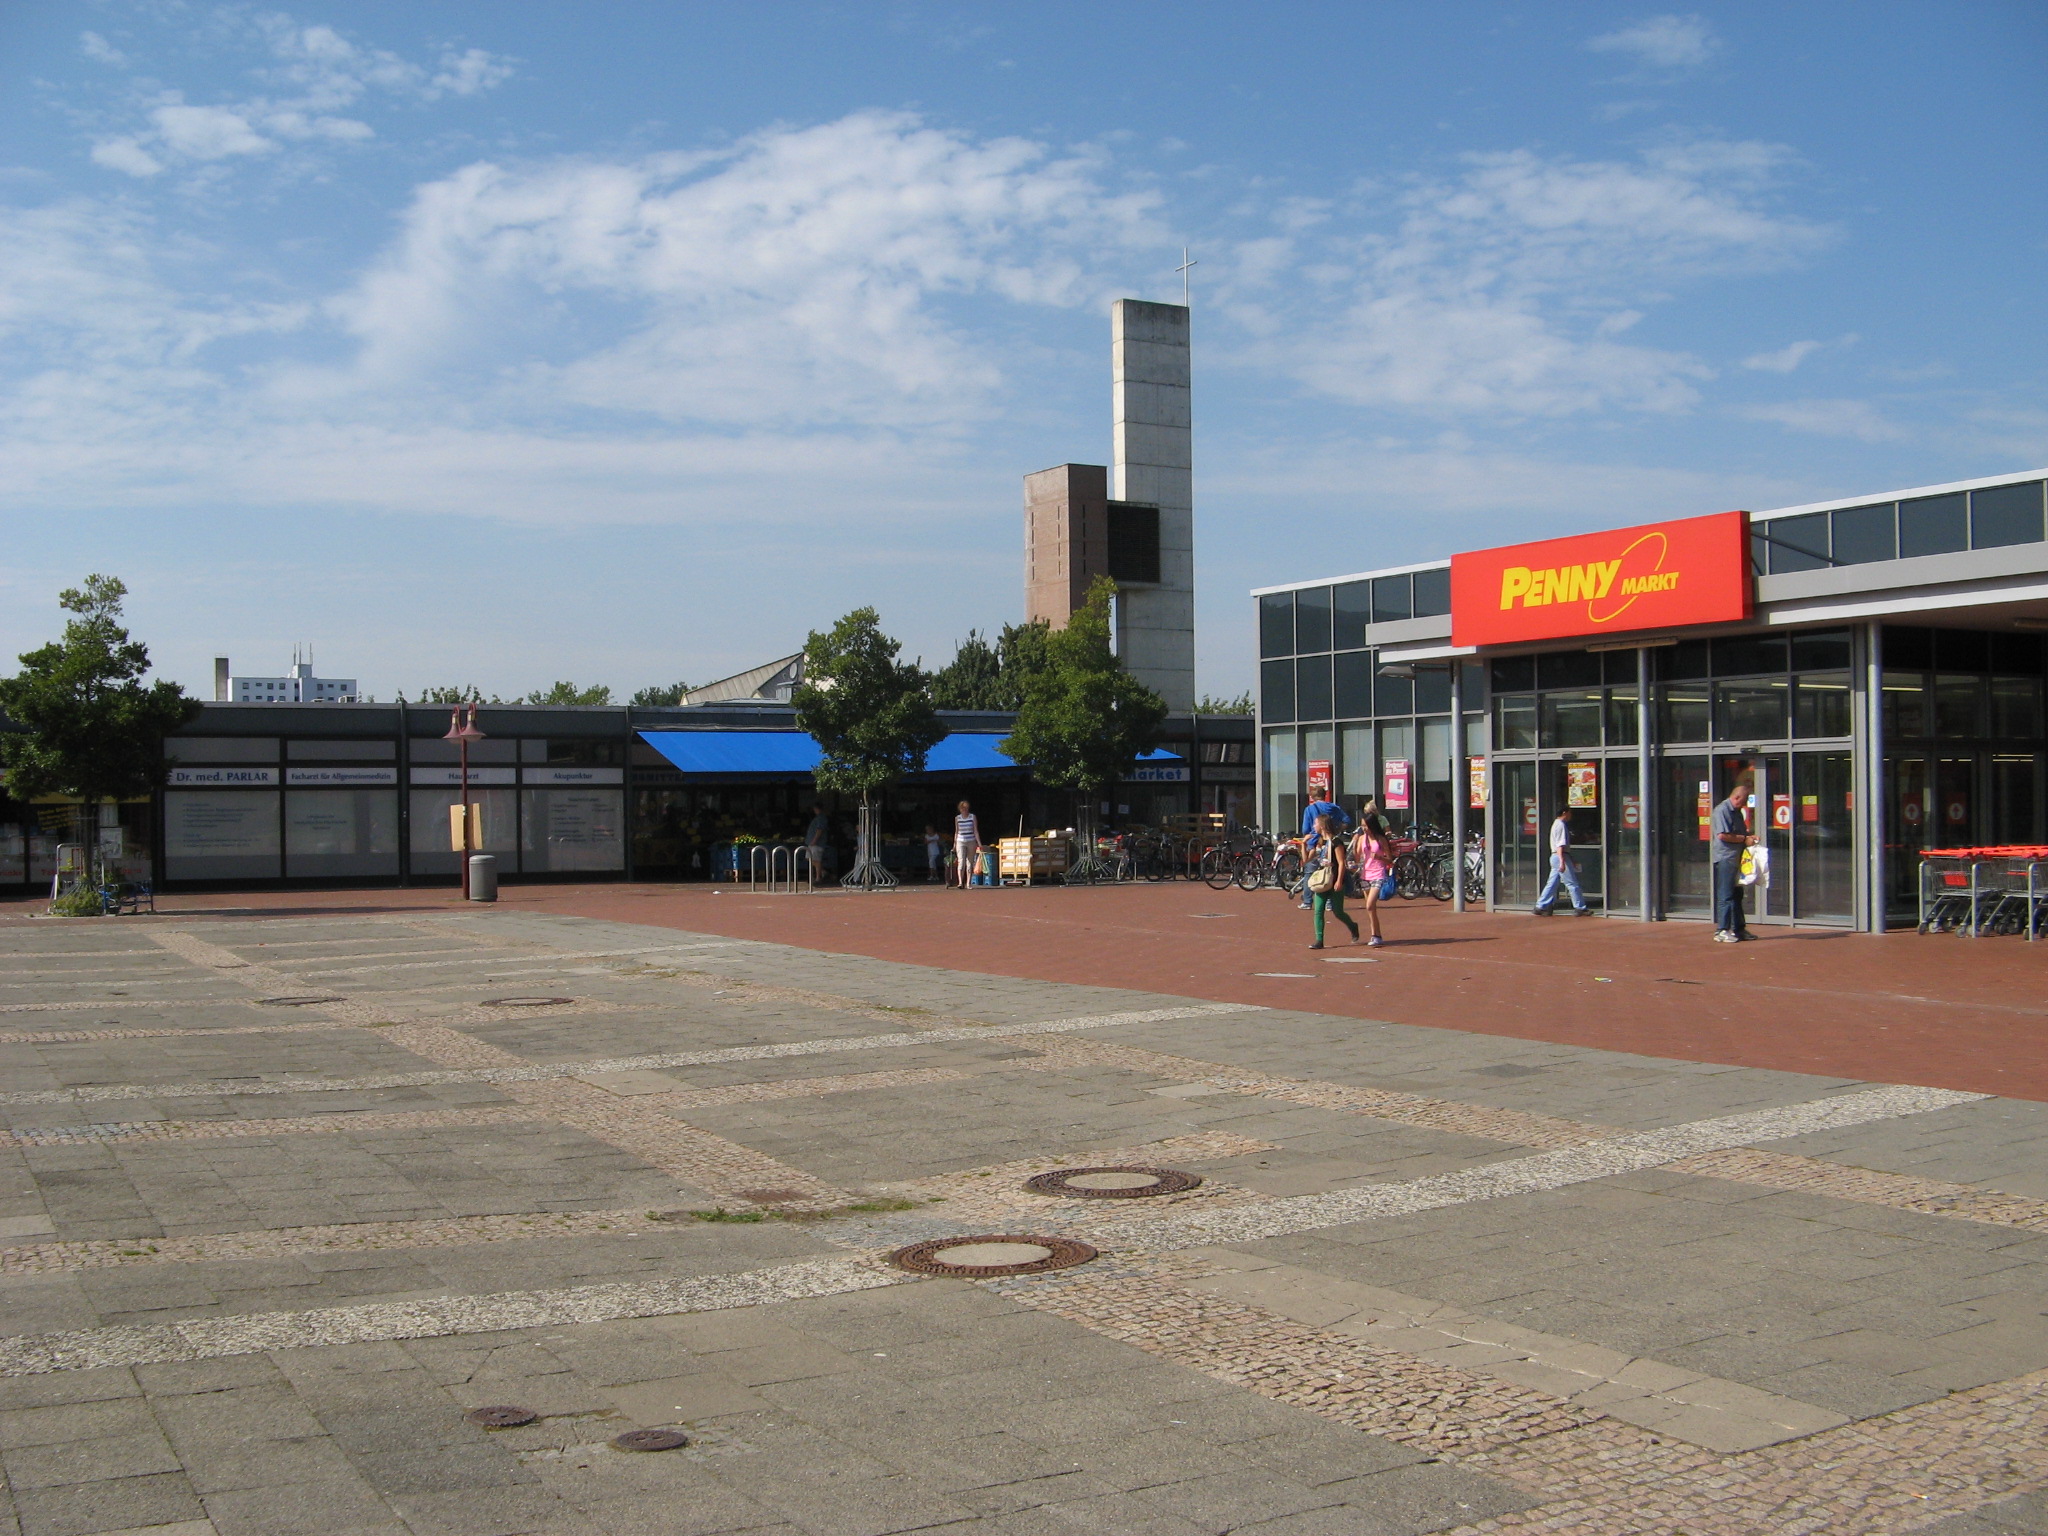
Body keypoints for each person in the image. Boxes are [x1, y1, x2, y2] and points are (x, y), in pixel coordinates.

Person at [1306, 813, 1361, 949]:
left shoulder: (1336, 842)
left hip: (1334, 879)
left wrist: (1339, 881)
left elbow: (1342, 862)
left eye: (1316, 823)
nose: (1314, 826)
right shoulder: (1320, 841)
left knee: (1338, 912)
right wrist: (1303, 843)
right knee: (1318, 910)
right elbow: (1306, 859)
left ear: (1323, 826)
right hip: (1322, 880)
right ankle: (1319, 940)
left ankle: (1353, 926)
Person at [1713, 780, 1758, 942]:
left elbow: (1740, 833)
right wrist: (1744, 839)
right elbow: (1723, 835)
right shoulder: (1722, 811)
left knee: (1737, 894)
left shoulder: (1737, 811)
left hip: (1737, 858)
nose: (1744, 805)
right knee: (1725, 895)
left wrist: (1749, 837)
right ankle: (1722, 930)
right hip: (1726, 858)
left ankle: (1739, 929)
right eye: (1744, 801)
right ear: (1737, 797)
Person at [1533, 807, 1593, 916]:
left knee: (1552, 883)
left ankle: (1540, 905)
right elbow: (1560, 845)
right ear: (1564, 813)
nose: (1571, 815)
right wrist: (1562, 861)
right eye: (1569, 813)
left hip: (1555, 856)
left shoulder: (1555, 824)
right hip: (1560, 856)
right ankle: (1580, 907)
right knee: (1572, 883)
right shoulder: (1561, 825)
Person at [1354, 812, 1391, 947]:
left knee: (1370, 905)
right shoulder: (1362, 839)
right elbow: (1357, 857)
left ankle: (1376, 935)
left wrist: (1380, 857)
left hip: (1378, 873)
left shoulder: (1380, 839)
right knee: (1371, 909)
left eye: (1366, 825)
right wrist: (1354, 843)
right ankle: (1376, 934)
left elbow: (1389, 858)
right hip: (1365, 874)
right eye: (1362, 825)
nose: (1364, 828)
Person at [953, 800, 982, 890]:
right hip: (960, 841)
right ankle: (961, 882)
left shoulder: (972, 817)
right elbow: (956, 832)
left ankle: (968, 883)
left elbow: (975, 830)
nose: (964, 810)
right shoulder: (957, 818)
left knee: (970, 862)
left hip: (971, 840)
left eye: (966, 808)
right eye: (962, 808)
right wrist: (954, 844)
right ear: (960, 809)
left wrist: (979, 843)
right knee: (961, 861)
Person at [802, 803, 835, 879]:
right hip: (811, 842)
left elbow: (819, 830)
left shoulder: (821, 818)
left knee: (816, 859)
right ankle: (822, 871)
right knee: (809, 858)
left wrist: (814, 840)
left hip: (817, 843)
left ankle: (818, 877)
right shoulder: (818, 818)